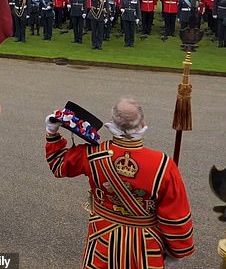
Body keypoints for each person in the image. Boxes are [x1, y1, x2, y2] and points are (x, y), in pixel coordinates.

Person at [45, 98, 195, 269]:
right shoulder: (163, 164)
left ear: (112, 123)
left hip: (102, 240)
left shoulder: (92, 155)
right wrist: (175, 254)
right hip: (145, 249)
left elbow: (58, 164)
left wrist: (52, 130)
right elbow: (175, 216)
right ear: (143, 123)